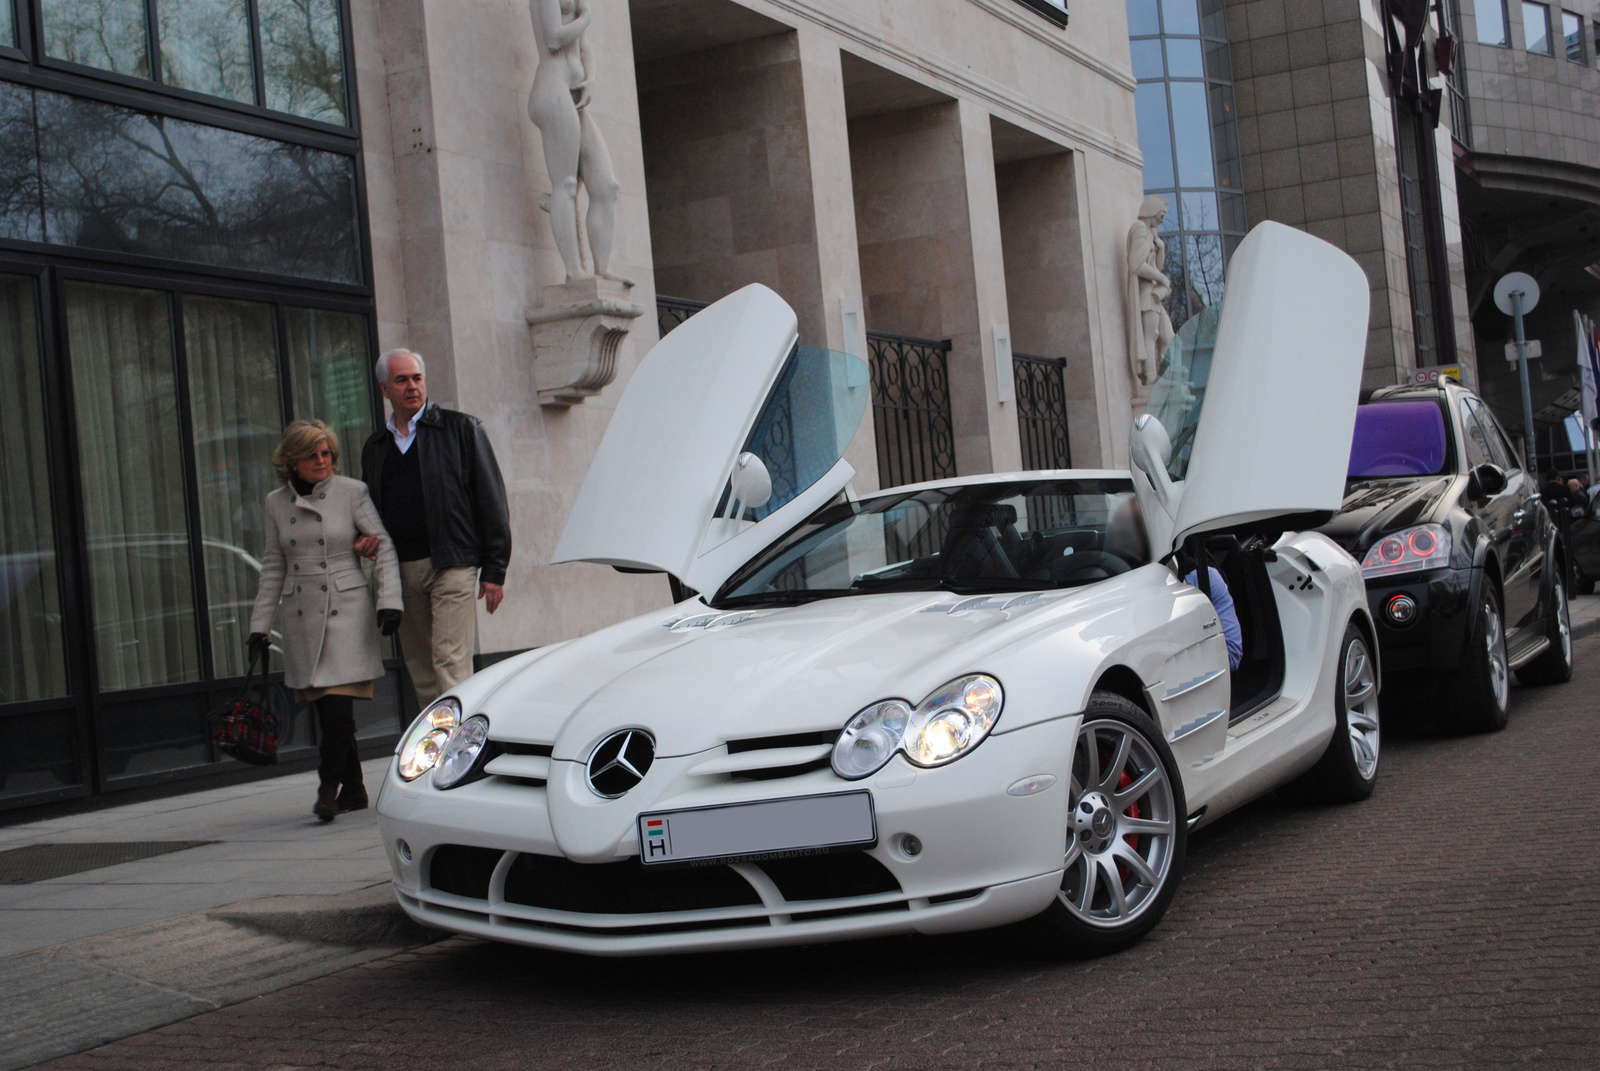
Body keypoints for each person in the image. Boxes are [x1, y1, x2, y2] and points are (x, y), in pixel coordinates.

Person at [249, 421, 402, 821]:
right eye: (312, 455)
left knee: (337, 710)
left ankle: (327, 790)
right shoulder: (275, 502)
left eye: (327, 454)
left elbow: (382, 544)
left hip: (346, 609)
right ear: (291, 461)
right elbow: (272, 565)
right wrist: (259, 626)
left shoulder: (352, 492)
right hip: (302, 612)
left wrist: (390, 602)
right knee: (326, 710)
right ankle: (353, 790)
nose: (321, 461)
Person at [358, 349, 512, 708]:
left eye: (417, 378)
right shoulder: (375, 448)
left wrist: (495, 570)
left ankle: (464, 750)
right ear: (385, 389)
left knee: (450, 664)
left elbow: (492, 501)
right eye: (402, 380)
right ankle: (435, 751)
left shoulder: (461, 429)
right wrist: (362, 538)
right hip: (401, 570)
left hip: (452, 563)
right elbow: (370, 510)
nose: (412, 386)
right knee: (422, 671)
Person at [1109, 496, 1242, 669]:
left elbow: (1231, 655)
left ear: (1153, 537)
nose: (1115, 545)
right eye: (1113, 535)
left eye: (1125, 536)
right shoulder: (1110, 581)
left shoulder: (1202, 579)